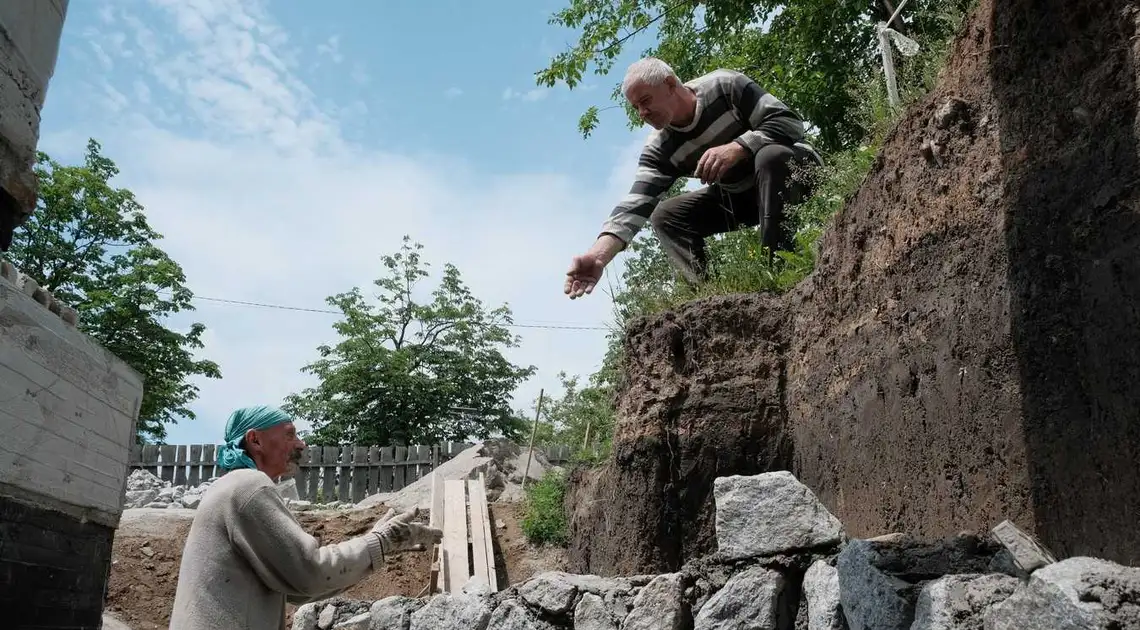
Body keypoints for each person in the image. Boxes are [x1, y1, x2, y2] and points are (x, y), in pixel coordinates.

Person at [564, 57, 822, 297]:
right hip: (743, 197)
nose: (642, 113)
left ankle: (778, 272)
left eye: (645, 101)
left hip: (795, 173)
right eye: (635, 108)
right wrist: (598, 257)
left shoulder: (724, 86)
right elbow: (636, 203)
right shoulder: (661, 147)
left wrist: (740, 147)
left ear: (669, 84)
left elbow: (788, 122)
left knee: (769, 157)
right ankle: (708, 299)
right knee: (666, 215)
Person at [168, 405, 442, 630]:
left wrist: (377, 548)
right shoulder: (249, 486)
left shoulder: (232, 487)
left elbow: (299, 589)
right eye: (289, 434)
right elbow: (309, 571)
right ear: (255, 440)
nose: (301, 443)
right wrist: (380, 542)